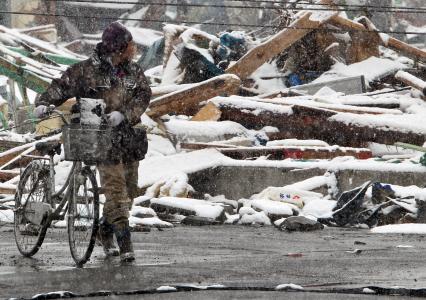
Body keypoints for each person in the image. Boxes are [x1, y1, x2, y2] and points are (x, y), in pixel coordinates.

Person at [35, 22, 152, 262]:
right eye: (129, 45)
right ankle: (125, 244)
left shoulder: (134, 71)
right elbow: (61, 86)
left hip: (128, 142)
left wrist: (125, 114)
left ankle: (104, 230)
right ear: (118, 47)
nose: (133, 50)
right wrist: (44, 102)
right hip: (99, 142)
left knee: (129, 193)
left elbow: (144, 94)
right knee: (116, 193)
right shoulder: (86, 71)